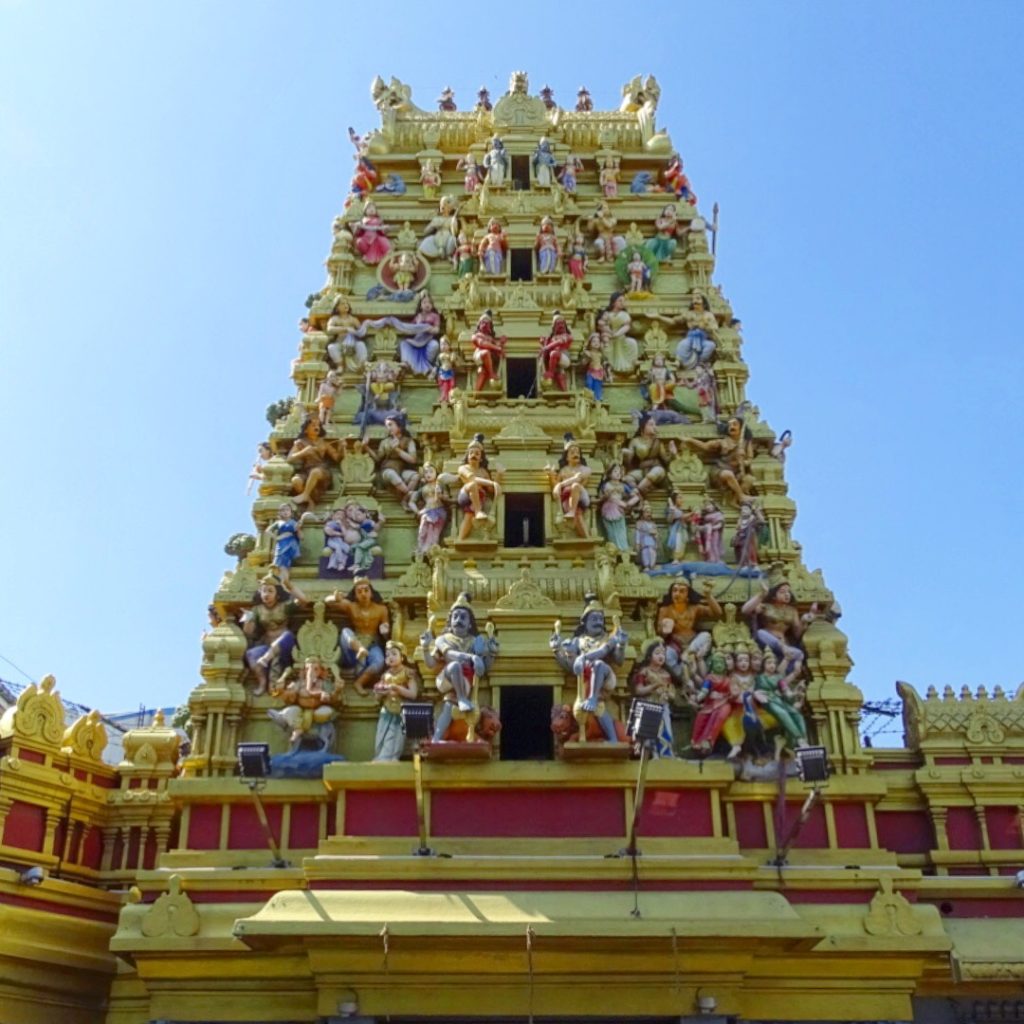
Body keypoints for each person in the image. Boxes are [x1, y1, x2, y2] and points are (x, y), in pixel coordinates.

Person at [421, 593, 499, 741]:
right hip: (446, 679)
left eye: (463, 617)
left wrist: (492, 653)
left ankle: (436, 739)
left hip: (465, 683)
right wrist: (425, 648)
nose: (458, 620)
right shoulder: (442, 639)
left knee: (449, 708)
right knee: (455, 665)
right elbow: (433, 662)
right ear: (449, 622)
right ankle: (462, 699)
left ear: (470, 624)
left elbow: (483, 669)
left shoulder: (475, 641)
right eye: (455, 617)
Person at [549, 596, 627, 738]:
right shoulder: (578, 641)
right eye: (594, 619)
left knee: (598, 664)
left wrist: (621, 645)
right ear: (584, 622)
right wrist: (557, 650)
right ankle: (611, 738)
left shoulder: (609, 638)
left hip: (606, 679)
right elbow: (571, 666)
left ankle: (593, 698)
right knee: (598, 709)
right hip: (586, 682)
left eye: (600, 619)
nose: (598, 622)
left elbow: (619, 660)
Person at [242, 575, 309, 696]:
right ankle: (262, 682)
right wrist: (248, 619)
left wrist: (290, 586)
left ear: (277, 593)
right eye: (264, 591)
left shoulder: (285, 606)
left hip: (285, 645)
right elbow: (248, 632)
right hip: (267, 644)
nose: (266, 594)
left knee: (287, 635)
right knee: (251, 654)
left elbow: (304, 600)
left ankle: (267, 660)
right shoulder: (257, 609)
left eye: (270, 591)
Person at [326, 577, 391, 693]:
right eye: (359, 591)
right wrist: (335, 598)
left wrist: (385, 631)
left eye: (366, 590)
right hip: (354, 647)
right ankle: (360, 649)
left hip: (372, 643)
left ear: (371, 593)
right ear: (355, 595)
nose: (363, 594)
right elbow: (327, 602)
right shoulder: (352, 606)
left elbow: (386, 633)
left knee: (380, 661)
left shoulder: (382, 609)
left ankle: (359, 682)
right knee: (346, 631)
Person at [657, 579, 722, 686]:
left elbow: (717, 613)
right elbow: (660, 632)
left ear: (688, 594)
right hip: (675, 645)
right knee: (666, 655)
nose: (677, 594)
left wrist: (708, 595)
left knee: (706, 636)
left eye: (682, 591)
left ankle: (687, 655)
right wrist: (665, 630)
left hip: (693, 645)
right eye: (675, 590)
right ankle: (686, 678)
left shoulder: (694, 608)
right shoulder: (665, 610)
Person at [684, 416, 755, 505]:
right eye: (729, 425)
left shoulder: (746, 443)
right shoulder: (723, 442)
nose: (731, 427)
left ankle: (734, 500)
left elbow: (750, 459)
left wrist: (744, 462)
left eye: (734, 424)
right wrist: (691, 440)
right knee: (728, 474)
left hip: (737, 472)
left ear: (741, 428)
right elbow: (705, 446)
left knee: (750, 479)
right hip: (720, 471)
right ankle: (741, 496)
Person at [372, 641, 419, 761]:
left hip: (400, 711)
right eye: (387, 655)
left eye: (394, 654)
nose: (390, 657)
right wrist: (379, 693)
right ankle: (381, 757)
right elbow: (377, 698)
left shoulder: (407, 673)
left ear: (402, 657)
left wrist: (397, 688)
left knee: (395, 739)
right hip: (386, 710)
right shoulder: (385, 675)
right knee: (381, 737)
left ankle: (388, 759)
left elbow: (413, 694)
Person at [631, 640, 676, 758]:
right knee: (650, 734)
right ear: (649, 656)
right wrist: (654, 686)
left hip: (663, 705)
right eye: (657, 653)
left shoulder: (666, 674)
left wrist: (667, 694)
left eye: (663, 653)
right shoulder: (644, 672)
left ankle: (665, 754)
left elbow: (672, 693)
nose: (661, 656)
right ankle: (653, 755)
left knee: (666, 731)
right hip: (648, 705)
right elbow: (639, 690)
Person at [287, 415, 344, 506]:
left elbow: (337, 458)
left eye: (318, 425)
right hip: (306, 471)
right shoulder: (300, 443)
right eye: (313, 425)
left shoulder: (324, 443)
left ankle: (305, 494)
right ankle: (310, 502)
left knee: (315, 472)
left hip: (322, 470)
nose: (316, 427)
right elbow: (289, 458)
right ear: (306, 429)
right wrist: (303, 452)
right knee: (296, 481)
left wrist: (341, 447)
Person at [455, 433, 500, 539]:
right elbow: (472, 479)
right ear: (467, 456)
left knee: (469, 516)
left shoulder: (483, 471)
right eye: (471, 453)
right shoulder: (463, 468)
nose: (473, 455)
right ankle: (478, 511)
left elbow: (491, 490)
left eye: (477, 454)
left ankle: (460, 540)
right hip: (465, 495)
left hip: (478, 498)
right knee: (473, 484)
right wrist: (491, 483)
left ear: (481, 458)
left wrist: (498, 476)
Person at [547, 434, 592, 538]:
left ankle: (572, 511)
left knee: (575, 485)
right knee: (578, 515)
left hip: (582, 497)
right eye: (572, 452)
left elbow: (577, 479)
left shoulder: (585, 469)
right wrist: (551, 475)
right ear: (567, 457)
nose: (576, 454)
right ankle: (586, 538)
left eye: (577, 452)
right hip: (567, 500)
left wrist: (561, 484)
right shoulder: (563, 471)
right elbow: (555, 487)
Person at [373, 414, 420, 512]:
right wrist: (366, 447)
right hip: (387, 471)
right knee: (391, 474)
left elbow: (413, 460)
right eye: (387, 426)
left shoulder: (408, 441)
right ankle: (409, 493)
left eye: (391, 424)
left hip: (401, 470)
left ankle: (404, 499)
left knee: (416, 476)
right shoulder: (385, 442)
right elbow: (377, 459)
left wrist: (398, 450)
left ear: (399, 425)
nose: (389, 428)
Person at [622, 412, 677, 495]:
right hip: (642, 471)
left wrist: (673, 453)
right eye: (651, 424)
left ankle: (637, 491)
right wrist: (625, 454)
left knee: (657, 471)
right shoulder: (635, 441)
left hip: (656, 472)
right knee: (627, 478)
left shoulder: (657, 442)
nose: (654, 427)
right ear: (643, 426)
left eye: (654, 424)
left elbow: (666, 460)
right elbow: (629, 462)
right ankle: (643, 491)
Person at [396, 291, 441, 376]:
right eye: (424, 302)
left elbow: (437, 330)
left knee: (434, 345)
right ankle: (407, 364)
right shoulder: (418, 316)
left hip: (427, 341)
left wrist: (428, 328)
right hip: (417, 341)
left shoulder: (435, 316)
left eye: (429, 303)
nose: (427, 305)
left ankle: (426, 365)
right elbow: (412, 330)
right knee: (404, 344)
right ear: (420, 305)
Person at [597, 462, 638, 551]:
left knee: (621, 530)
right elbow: (600, 498)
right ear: (609, 473)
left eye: (619, 471)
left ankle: (623, 549)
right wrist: (605, 497)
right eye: (615, 471)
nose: (618, 473)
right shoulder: (605, 485)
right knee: (611, 532)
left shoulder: (624, 486)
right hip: (607, 509)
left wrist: (628, 504)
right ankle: (614, 549)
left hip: (619, 509)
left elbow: (636, 497)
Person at [601, 292, 639, 373]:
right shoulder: (607, 314)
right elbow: (603, 324)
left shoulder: (624, 314)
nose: (622, 303)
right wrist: (610, 332)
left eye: (623, 301)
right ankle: (608, 366)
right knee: (605, 346)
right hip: (609, 337)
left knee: (632, 343)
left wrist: (617, 334)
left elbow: (627, 326)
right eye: (620, 300)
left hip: (621, 337)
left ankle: (630, 365)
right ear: (613, 302)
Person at [471, 311, 505, 391]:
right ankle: (491, 374)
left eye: (487, 323)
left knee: (483, 373)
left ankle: (477, 394)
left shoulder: (490, 338)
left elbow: (497, 345)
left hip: (488, 359)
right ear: (479, 324)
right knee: (486, 352)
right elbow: (482, 344)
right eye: (483, 322)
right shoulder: (476, 335)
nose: (485, 324)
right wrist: (497, 348)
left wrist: (501, 342)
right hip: (479, 355)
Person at [539, 312, 573, 391]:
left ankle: (550, 373)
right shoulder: (552, 338)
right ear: (554, 327)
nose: (560, 325)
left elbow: (559, 342)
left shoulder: (567, 336)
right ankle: (564, 392)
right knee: (560, 372)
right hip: (555, 360)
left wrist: (547, 347)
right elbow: (545, 349)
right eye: (558, 324)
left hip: (565, 357)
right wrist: (543, 342)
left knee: (554, 353)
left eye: (562, 323)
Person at [268, 503, 302, 583]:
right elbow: (268, 531)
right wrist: (277, 537)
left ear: (291, 512)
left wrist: (298, 529)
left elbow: (301, 536)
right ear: (279, 513)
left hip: (290, 543)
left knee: (285, 562)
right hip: (281, 543)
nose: (285, 512)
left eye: (287, 510)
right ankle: (277, 579)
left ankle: (284, 580)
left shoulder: (293, 522)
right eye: (283, 510)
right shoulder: (278, 522)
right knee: (277, 560)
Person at [353, 201, 391, 265]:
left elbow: (382, 231)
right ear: (365, 211)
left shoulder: (378, 220)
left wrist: (385, 229)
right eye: (369, 208)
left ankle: (377, 257)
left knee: (384, 242)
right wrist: (357, 227)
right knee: (359, 242)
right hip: (366, 238)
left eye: (373, 208)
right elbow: (356, 232)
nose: (371, 210)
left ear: (376, 211)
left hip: (376, 238)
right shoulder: (363, 220)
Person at [634, 501, 659, 570]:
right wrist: (637, 543)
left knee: (652, 553)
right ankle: (646, 566)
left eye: (650, 513)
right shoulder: (640, 523)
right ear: (643, 514)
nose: (649, 514)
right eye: (647, 512)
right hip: (644, 542)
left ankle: (652, 565)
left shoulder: (653, 524)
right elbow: (638, 534)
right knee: (645, 553)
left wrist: (655, 535)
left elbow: (656, 534)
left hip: (652, 542)